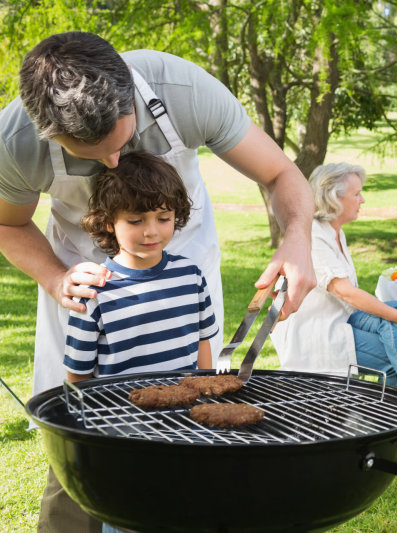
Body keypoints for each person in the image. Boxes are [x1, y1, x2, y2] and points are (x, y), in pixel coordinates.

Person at [0, 32, 314, 533]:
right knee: (79, 436)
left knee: (189, 423)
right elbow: (9, 223)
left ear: (129, 95)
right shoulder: (14, 140)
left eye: (119, 143)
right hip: (83, 277)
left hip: (185, 258)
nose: (110, 164)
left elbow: (280, 173)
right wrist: (56, 278)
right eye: (88, 153)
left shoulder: (184, 90)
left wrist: (297, 239)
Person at [272, 162, 397, 429]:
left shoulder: (336, 231)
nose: (363, 199)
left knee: (395, 311)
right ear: (334, 197)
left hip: (343, 317)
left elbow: (348, 300)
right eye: (357, 193)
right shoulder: (313, 233)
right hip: (316, 330)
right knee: (395, 357)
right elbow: (345, 292)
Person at [64, 152, 217, 383]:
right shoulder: (93, 293)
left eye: (163, 218)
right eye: (136, 221)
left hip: (184, 415)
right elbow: (78, 375)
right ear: (108, 221)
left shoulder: (191, 277)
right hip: (121, 417)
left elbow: (203, 342)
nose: (151, 231)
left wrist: (206, 393)